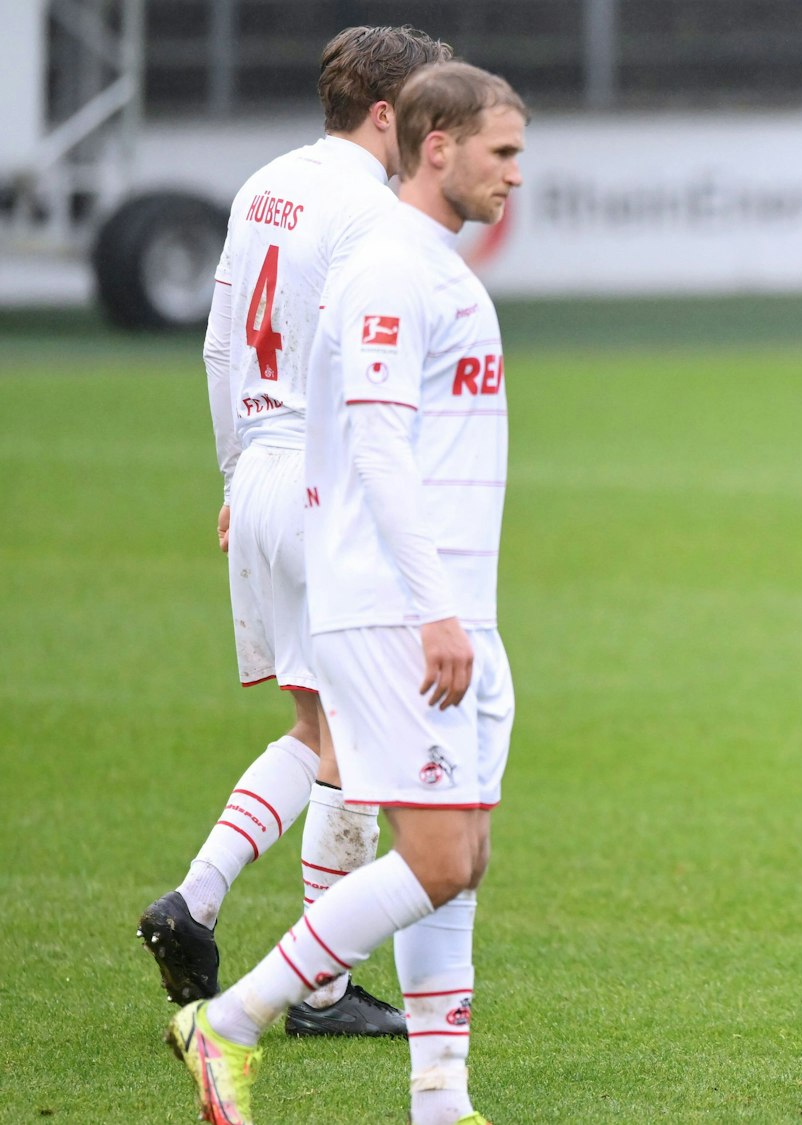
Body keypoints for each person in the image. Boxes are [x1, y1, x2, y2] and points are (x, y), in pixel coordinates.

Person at [165, 60, 527, 1125]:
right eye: (500, 153)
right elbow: (373, 441)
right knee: (438, 853)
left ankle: (440, 1097)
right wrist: (433, 607)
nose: (515, 176)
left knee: (462, 857)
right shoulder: (385, 266)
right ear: (435, 145)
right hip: (394, 607)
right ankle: (230, 1022)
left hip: (450, 603)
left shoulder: (429, 263)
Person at [139, 24, 452, 1039]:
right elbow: (366, 374)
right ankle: (317, 988)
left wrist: (238, 470)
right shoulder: (374, 214)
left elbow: (221, 341)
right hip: (327, 483)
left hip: (264, 469)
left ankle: (195, 900)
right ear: (382, 114)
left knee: (317, 725)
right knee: (357, 738)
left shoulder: (265, 183)